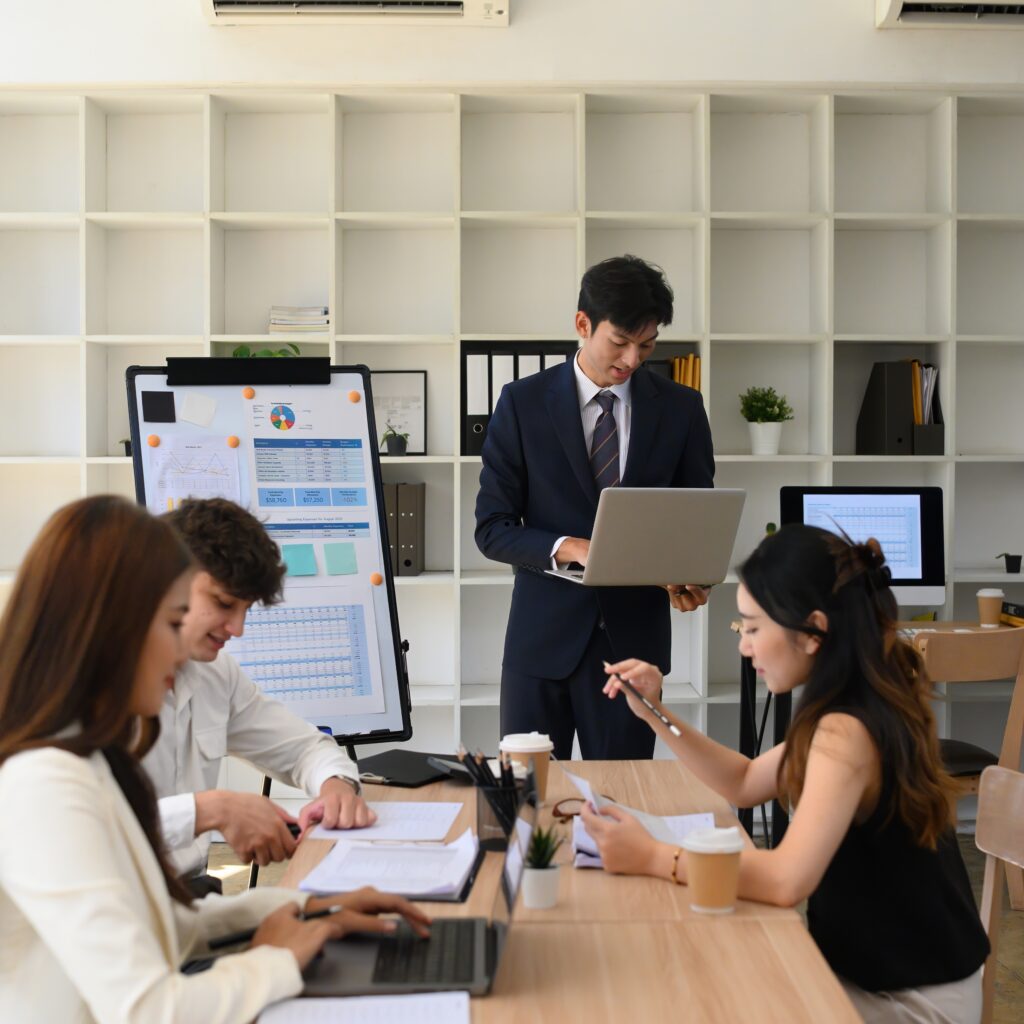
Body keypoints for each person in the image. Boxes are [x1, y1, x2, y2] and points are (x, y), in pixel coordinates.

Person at [0, 495, 429, 1024]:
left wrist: (313, 907)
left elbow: (173, 927)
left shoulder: (88, 757)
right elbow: (150, 1010)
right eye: (171, 622)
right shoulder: (44, 782)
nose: (180, 652)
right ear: (113, 628)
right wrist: (275, 958)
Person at [582, 525, 989, 1023]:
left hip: (910, 1002)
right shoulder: (850, 701)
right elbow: (745, 781)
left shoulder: (847, 729)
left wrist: (651, 856)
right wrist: (653, 712)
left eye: (754, 628)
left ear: (812, 631)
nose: (744, 647)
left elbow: (786, 880)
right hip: (882, 973)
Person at [475, 254, 716, 760]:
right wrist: (576, 548)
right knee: (532, 796)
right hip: (540, 646)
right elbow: (493, 529)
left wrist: (692, 577)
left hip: (634, 651)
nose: (632, 359)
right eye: (620, 341)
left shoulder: (682, 410)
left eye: (646, 345)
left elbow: (694, 524)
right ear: (583, 324)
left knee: (625, 795)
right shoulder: (521, 403)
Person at [142, 498, 374, 887]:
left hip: (189, 893)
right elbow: (82, 826)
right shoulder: (86, 679)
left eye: (246, 609)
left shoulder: (216, 674)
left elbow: (304, 748)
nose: (237, 629)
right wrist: (211, 810)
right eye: (223, 603)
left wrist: (337, 787)